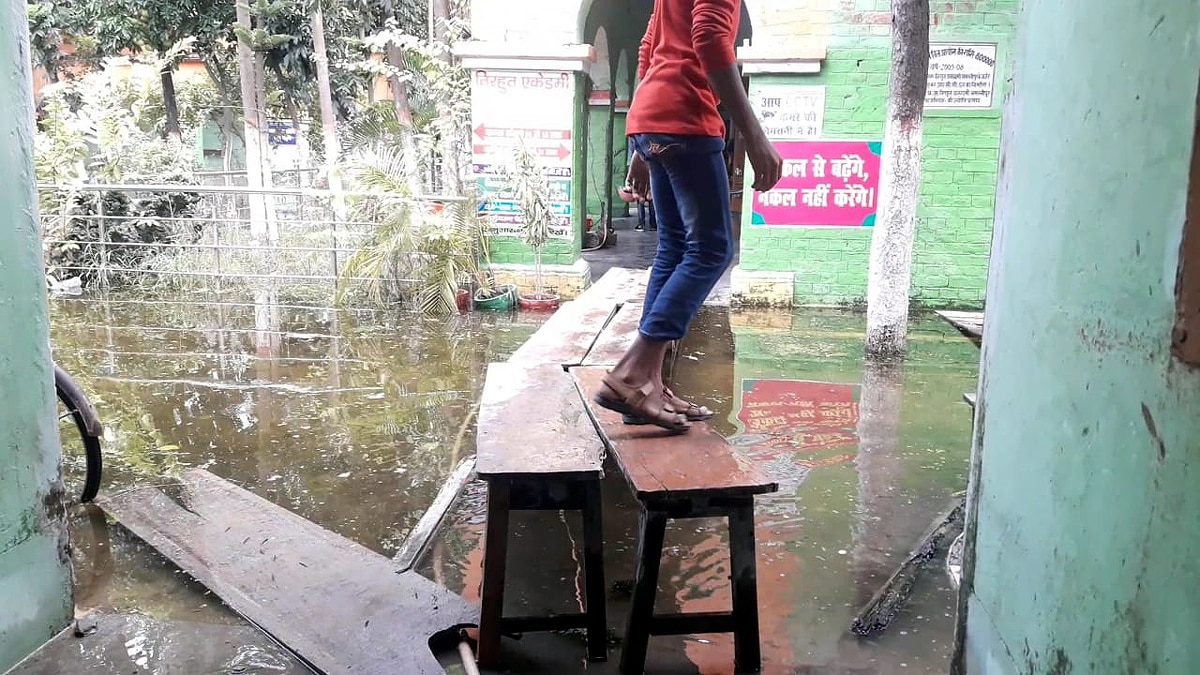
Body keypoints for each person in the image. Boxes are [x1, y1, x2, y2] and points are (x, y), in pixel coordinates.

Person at [592, 0, 783, 433]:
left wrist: (643, 137)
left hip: (654, 117)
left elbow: (649, 46)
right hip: (685, 116)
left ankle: (651, 386)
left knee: (675, 248)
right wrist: (754, 136)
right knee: (712, 250)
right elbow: (710, 38)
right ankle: (632, 374)